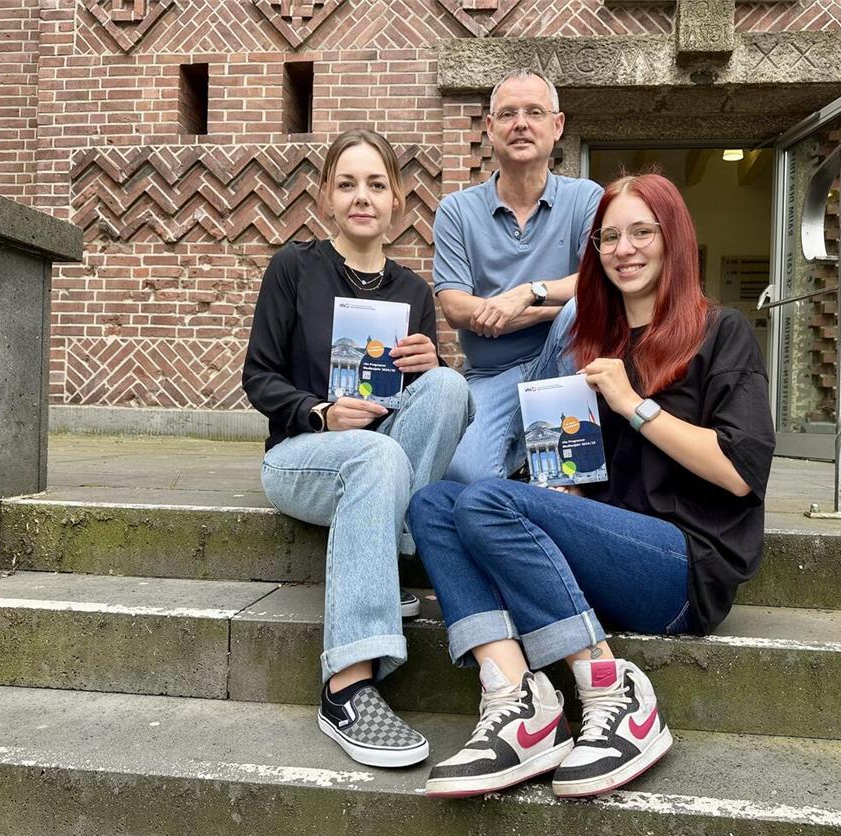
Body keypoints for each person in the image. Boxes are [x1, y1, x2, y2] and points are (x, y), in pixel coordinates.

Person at [409, 172, 776, 798]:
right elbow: (585, 476)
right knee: (434, 502)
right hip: (605, 549)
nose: (625, 249)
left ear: (674, 240)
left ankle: (611, 687)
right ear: (595, 252)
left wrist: (635, 404)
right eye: (610, 237)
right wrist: (569, 494)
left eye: (642, 232)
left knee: (487, 496)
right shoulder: (590, 347)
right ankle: (518, 698)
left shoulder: (721, 332)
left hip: (683, 566)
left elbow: (740, 474)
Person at [242, 129, 472, 768]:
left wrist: (428, 366)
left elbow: (419, 408)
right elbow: (258, 376)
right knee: (374, 454)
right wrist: (319, 411)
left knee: (452, 386)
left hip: (382, 457)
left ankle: (389, 560)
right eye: (348, 184)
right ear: (325, 197)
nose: (362, 197)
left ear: (397, 201)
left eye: (376, 185)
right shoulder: (294, 267)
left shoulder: (415, 293)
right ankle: (346, 684)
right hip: (303, 454)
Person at [433, 69, 604, 484]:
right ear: (490, 128)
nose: (521, 124)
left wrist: (529, 294)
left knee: (581, 308)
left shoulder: (587, 198)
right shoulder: (456, 210)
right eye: (508, 114)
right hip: (491, 375)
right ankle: (530, 454)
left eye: (534, 112)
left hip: (566, 363)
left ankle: (557, 469)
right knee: (465, 474)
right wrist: (550, 308)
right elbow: (455, 307)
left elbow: (598, 285)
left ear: (557, 125)